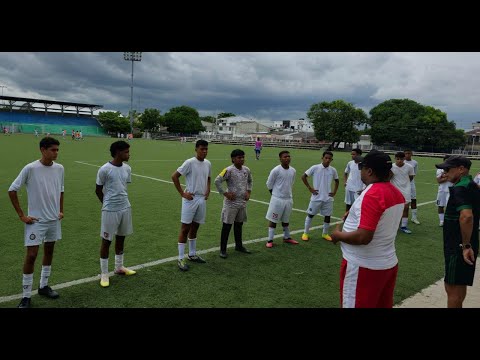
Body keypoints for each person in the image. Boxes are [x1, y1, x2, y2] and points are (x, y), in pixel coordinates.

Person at [329, 150, 405, 308]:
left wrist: (338, 235)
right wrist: (354, 213)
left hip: (364, 267)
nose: (360, 171)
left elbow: (363, 237)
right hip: (386, 264)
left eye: (361, 167)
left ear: (369, 171)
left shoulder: (373, 194)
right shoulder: (396, 193)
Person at [8, 137, 64, 308]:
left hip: (53, 220)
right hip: (36, 221)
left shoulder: (60, 168)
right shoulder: (31, 168)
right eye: (53, 150)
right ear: (42, 149)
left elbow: (61, 190)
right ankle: (26, 296)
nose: (56, 153)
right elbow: (12, 190)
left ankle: (43, 286)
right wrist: (22, 215)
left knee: (49, 251)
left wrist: (60, 210)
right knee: (31, 256)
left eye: (57, 150)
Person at [435, 155, 480, 308]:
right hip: (469, 242)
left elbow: (466, 216)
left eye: (448, 169)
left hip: (458, 246)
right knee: (459, 287)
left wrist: (465, 246)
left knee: (452, 289)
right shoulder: (471, 185)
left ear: (461, 169)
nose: (444, 173)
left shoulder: (460, 188)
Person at [95, 140, 136, 288]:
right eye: (126, 152)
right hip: (110, 210)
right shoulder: (104, 169)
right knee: (106, 241)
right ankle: (104, 274)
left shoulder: (127, 168)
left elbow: (123, 187)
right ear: (118, 152)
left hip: (125, 207)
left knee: (121, 238)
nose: (129, 154)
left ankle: (119, 267)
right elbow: (98, 190)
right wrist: (107, 205)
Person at [172, 139, 211, 271]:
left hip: (201, 199)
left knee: (195, 227)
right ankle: (181, 258)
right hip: (190, 198)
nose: (204, 151)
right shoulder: (189, 162)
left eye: (206, 149)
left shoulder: (208, 163)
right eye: (202, 149)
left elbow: (208, 177)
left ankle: (192, 254)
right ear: (196, 149)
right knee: (185, 228)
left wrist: (208, 189)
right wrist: (182, 193)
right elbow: (175, 176)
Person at [214, 149, 253, 258]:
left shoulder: (246, 170)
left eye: (243, 157)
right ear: (233, 159)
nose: (242, 159)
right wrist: (225, 193)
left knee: (239, 225)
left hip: (242, 203)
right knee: (227, 226)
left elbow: (250, 181)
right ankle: (223, 250)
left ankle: (239, 246)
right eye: (239, 158)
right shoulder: (228, 170)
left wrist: (249, 192)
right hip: (231, 204)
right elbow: (217, 181)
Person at [301, 151, 339, 241]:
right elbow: (303, 176)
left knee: (327, 216)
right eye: (326, 158)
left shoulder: (333, 170)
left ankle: (325, 234)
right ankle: (305, 233)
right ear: (322, 158)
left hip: (328, 198)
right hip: (316, 197)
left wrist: (334, 192)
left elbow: (337, 181)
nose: (327, 160)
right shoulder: (315, 168)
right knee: (310, 215)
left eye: (329, 158)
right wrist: (310, 188)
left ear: (331, 160)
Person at [265, 150, 298, 247]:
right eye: (285, 157)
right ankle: (270, 240)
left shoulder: (293, 170)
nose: (287, 158)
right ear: (280, 159)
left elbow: (291, 183)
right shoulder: (276, 170)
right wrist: (275, 195)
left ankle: (287, 237)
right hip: (277, 199)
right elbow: (269, 184)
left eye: (289, 156)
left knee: (286, 220)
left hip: (288, 199)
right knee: (273, 220)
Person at [389, 151, 414, 234]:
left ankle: (403, 226)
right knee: (394, 209)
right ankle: (393, 226)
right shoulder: (391, 167)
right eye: (397, 159)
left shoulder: (409, 167)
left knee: (406, 208)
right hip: (394, 190)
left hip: (406, 189)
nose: (399, 161)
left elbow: (411, 177)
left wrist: (405, 184)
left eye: (401, 159)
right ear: (395, 159)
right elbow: (388, 178)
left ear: (404, 159)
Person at [436, 155, 453, 227]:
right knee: (440, 206)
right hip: (441, 190)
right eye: (445, 161)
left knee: (449, 207)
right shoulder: (439, 169)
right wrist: (448, 176)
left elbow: (453, 179)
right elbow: (439, 181)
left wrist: (444, 176)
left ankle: (449, 221)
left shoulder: (453, 169)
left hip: (451, 190)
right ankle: (442, 221)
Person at [404, 150, 420, 224]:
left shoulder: (415, 163)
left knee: (413, 199)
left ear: (412, 154)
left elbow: (414, 173)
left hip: (411, 184)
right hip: (401, 184)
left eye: (409, 153)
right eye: (406, 153)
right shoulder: (402, 162)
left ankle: (414, 217)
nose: (407, 155)